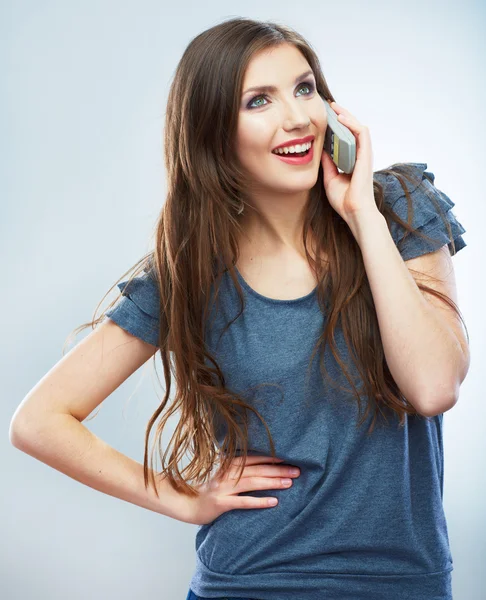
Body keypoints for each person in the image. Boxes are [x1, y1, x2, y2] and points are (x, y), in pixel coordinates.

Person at [10, 17, 470, 600]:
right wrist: (180, 498)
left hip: (403, 583)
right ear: (214, 134)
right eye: (259, 101)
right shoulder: (192, 273)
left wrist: (363, 218)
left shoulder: (399, 210)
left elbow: (432, 386)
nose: (297, 117)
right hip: (248, 581)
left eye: (305, 89)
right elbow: (39, 422)